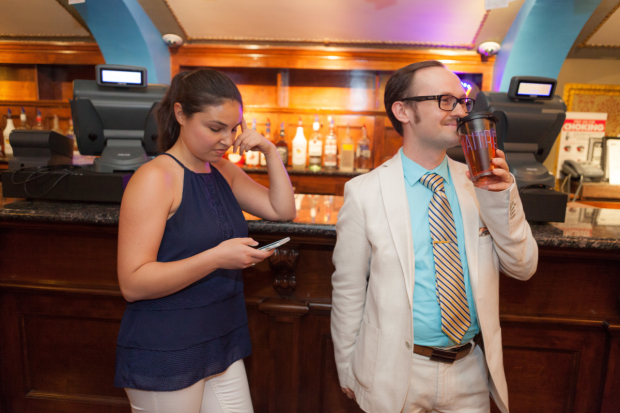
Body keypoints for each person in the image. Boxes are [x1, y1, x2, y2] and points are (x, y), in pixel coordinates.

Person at [330, 61, 538, 413]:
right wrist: (349, 369)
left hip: (470, 372)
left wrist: (502, 197)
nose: (459, 111)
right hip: (395, 374)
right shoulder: (364, 193)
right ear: (403, 111)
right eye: (445, 100)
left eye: (462, 102)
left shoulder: (482, 182)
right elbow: (348, 290)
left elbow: (523, 268)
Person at [114, 68, 296, 413]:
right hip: (166, 347)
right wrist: (215, 258)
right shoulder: (155, 178)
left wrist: (271, 152)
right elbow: (133, 283)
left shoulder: (224, 171)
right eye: (215, 128)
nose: (227, 140)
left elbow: (281, 209)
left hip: (219, 337)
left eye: (233, 129)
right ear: (181, 114)